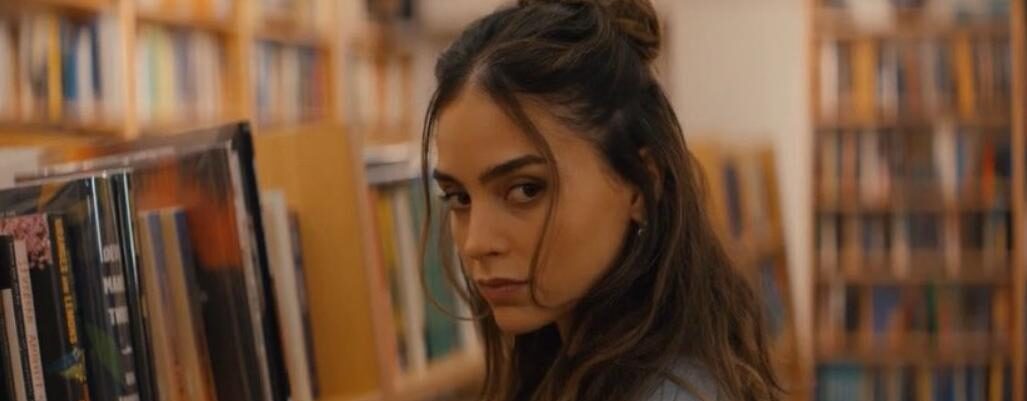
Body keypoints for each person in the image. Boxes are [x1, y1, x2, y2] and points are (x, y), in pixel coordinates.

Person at [420, 0, 782, 400]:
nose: (476, 243)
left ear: (642, 183)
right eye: (459, 198)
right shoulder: (567, 364)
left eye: (526, 190)